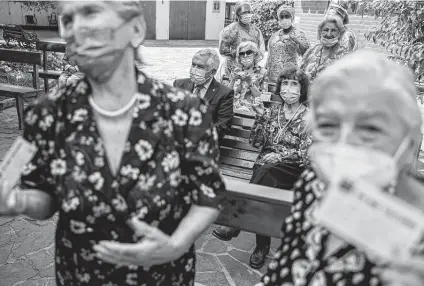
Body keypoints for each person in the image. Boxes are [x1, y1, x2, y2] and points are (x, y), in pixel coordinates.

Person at [0, 2, 226, 285]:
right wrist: (15, 200)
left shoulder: (185, 111)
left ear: (135, 30)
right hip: (82, 272)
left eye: (91, 13)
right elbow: (43, 198)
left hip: (164, 274)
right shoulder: (49, 112)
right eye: (68, 19)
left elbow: (209, 196)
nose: (77, 27)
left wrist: (177, 243)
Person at [257, 51, 424, 285]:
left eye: (370, 129)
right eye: (328, 125)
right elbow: (281, 270)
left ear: (409, 140)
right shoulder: (314, 185)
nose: (345, 142)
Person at [213, 66, 311, 269]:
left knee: (263, 172)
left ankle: (236, 223)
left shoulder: (309, 117)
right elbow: (257, 143)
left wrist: (280, 155)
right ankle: (260, 247)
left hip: (292, 169)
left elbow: (307, 154)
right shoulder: (273, 111)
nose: (288, 89)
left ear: (302, 89)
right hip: (267, 169)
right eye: (285, 83)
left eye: (294, 84)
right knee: (263, 184)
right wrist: (260, 117)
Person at [173, 49, 234, 141]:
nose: (194, 69)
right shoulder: (179, 84)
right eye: (193, 65)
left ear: (213, 72)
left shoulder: (224, 93)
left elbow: (222, 126)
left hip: (204, 143)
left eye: (200, 67)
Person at [216, 0, 265, 83]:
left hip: (251, 68)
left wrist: (253, 56)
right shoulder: (230, 30)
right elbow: (223, 49)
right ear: (238, 14)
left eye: (249, 12)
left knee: (250, 89)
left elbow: (261, 49)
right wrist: (239, 53)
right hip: (233, 69)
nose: (247, 15)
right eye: (244, 13)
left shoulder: (256, 31)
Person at [266, 5, 310, 84]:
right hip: (273, 77)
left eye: (287, 16)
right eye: (281, 17)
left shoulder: (300, 34)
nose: (284, 19)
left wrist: (297, 40)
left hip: (290, 76)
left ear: (292, 17)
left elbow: (307, 54)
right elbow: (269, 56)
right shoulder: (274, 35)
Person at [301, 16, 353, 82]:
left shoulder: (344, 55)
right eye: (325, 30)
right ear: (320, 31)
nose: (328, 34)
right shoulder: (311, 51)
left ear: (340, 33)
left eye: (333, 30)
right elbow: (301, 74)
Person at [229, 41, 268, 112]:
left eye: (248, 52)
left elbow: (263, 98)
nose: (245, 56)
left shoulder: (263, 72)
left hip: (252, 110)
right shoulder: (236, 71)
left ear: (255, 54)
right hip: (233, 108)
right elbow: (227, 93)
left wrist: (250, 82)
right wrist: (233, 80)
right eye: (242, 53)